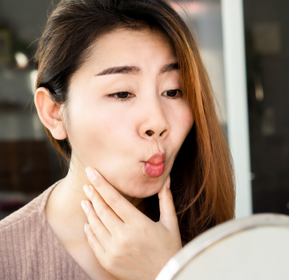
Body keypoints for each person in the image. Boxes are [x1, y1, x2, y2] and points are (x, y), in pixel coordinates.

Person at [0, 0, 235, 279]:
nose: (158, 123)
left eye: (173, 91)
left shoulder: (224, 246)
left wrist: (165, 271)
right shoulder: (8, 258)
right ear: (54, 113)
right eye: (122, 93)